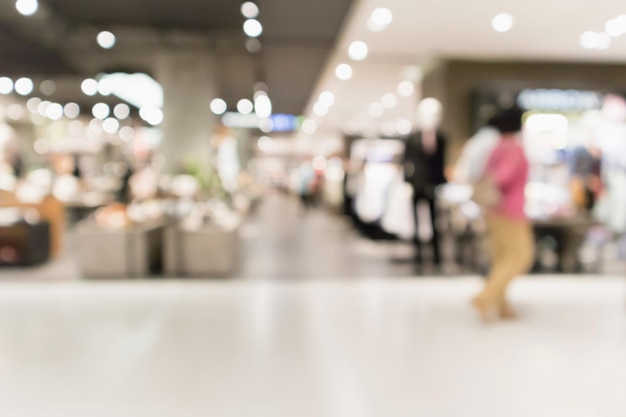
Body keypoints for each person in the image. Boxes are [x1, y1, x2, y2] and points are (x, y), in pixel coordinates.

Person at [472, 106, 534, 322]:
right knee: (520, 256)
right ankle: (486, 296)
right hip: (511, 210)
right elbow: (503, 177)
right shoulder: (514, 149)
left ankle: (502, 304)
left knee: (501, 257)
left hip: (494, 210)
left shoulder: (496, 147)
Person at [403, 98, 447, 268]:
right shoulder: (412, 138)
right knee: (416, 222)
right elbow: (406, 162)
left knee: (435, 221)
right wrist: (407, 181)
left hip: (433, 185)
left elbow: (440, 162)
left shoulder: (441, 137)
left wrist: (440, 183)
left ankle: (437, 257)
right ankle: (418, 255)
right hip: (416, 185)